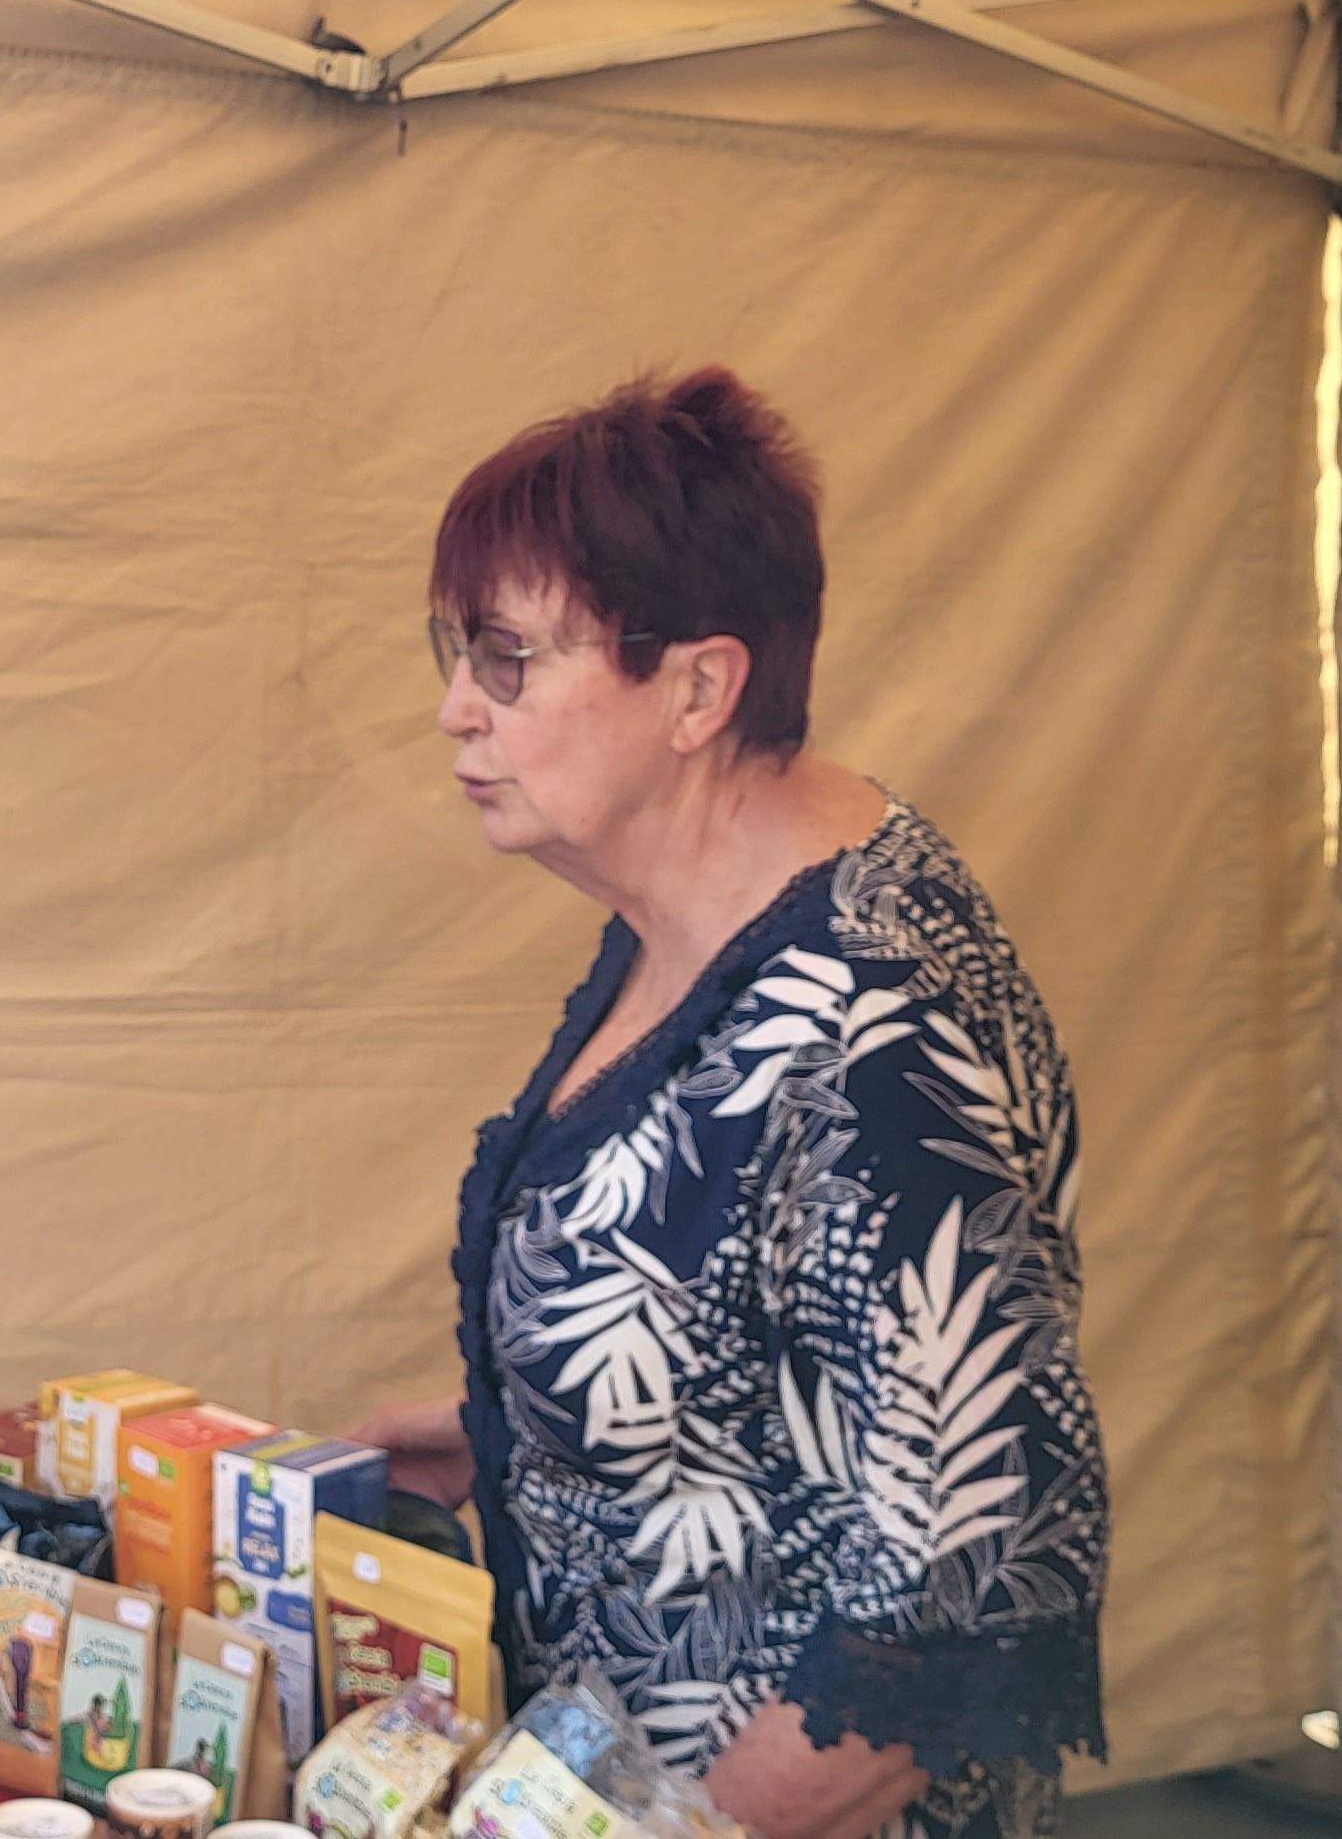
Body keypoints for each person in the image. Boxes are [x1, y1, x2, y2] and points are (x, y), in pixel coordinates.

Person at [347, 371, 1106, 1839]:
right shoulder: (689, 907)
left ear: (698, 688)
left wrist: (684, 1834)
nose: (455, 710)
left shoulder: (880, 1025)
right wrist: (525, 1429)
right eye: (457, 651)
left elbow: (944, 1593)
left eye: (508, 660)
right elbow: (758, 1340)